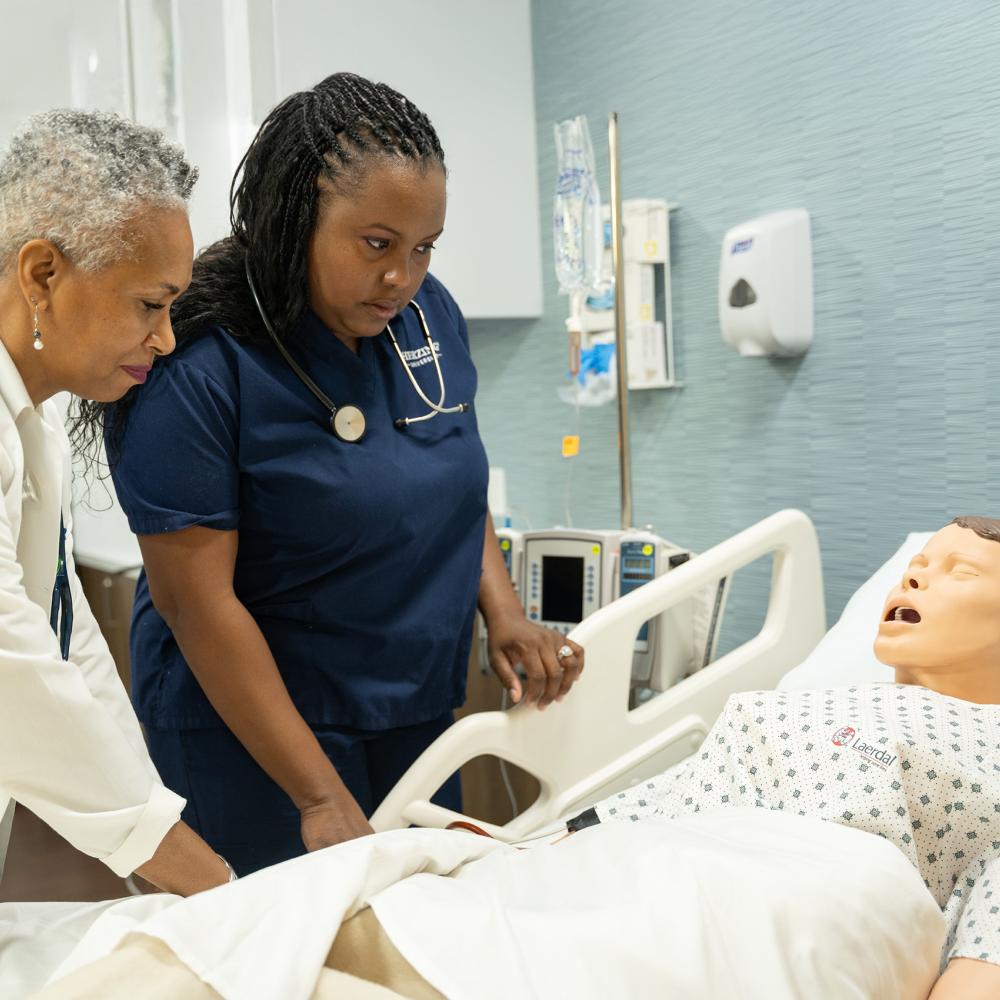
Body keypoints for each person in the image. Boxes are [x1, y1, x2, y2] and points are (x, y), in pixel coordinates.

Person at [99, 72, 584, 877]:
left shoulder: (428, 319)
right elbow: (196, 603)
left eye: (424, 247)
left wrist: (505, 614)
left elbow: (454, 480)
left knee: (416, 947)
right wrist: (316, 795)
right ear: (296, 221)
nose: (404, 277)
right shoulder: (200, 363)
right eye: (376, 244)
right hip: (251, 734)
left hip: (412, 706)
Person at [565, 514, 1000, 999]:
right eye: (916, 566)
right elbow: (676, 793)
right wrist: (549, 848)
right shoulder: (806, 703)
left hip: (769, 918)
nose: (913, 577)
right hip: (640, 873)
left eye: (961, 572)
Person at [0, 109, 235, 903]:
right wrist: (213, 884)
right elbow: (15, 682)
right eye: (149, 304)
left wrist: (159, 850)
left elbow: (65, 646)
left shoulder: (38, 425)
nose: (166, 339)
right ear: (42, 276)